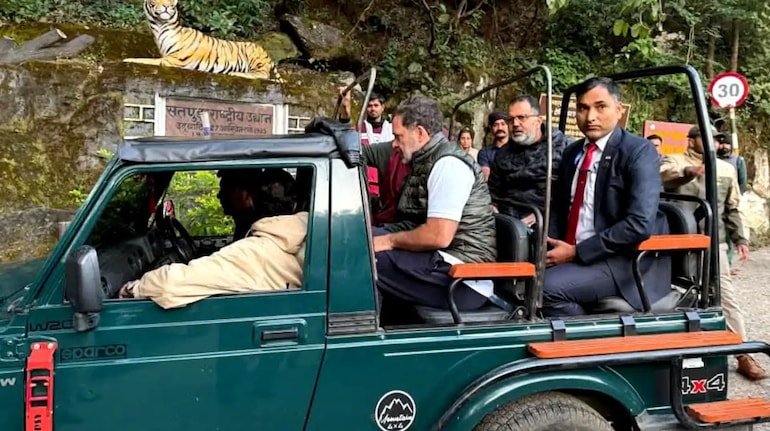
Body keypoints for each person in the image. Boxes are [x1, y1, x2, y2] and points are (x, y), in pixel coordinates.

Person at [363, 95, 497, 323]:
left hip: (463, 277)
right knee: (359, 242)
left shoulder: (448, 165)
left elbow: (438, 235)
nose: (394, 144)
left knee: (362, 260)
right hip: (443, 262)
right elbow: (414, 221)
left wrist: (388, 240)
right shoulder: (425, 161)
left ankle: (356, 334)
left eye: (398, 136)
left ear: (420, 133)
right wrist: (370, 233)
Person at [543, 77, 670, 316]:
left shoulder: (638, 151)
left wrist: (576, 252)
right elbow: (560, 207)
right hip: (573, 250)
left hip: (620, 260)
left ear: (619, 110)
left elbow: (639, 224)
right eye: (583, 108)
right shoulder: (572, 152)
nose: (590, 117)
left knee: (544, 289)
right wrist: (547, 244)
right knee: (519, 274)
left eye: (601, 107)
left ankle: (586, 337)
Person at [660, 126, 766, 381]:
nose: (714, 143)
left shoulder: (726, 169)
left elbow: (732, 207)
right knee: (679, 296)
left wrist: (740, 238)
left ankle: (742, 354)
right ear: (691, 141)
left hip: (714, 243)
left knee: (725, 295)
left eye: (717, 139)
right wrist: (688, 172)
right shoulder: (675, 161)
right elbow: (661, 176)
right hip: (678, 243)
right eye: (706, 138)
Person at [119, 211, 309, 308]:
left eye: (225, 187)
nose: (219, 195)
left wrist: (135, 289)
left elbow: (170, 285)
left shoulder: (253, 253)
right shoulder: (309, 222)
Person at [488, 95, 570, 223]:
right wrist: (493, 209)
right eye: (511, 119)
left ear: (538, 121)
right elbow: (492, 192)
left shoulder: (564, 148)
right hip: (507, 220)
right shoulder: (502, 154)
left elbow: (571, 196)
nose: (515, 124)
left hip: (548, 220)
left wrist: (544, 215)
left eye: (522, 117)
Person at [339, 89, 410, 225]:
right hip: (363, 185)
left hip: (387, 187)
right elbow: (345, 136)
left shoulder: (392, 129)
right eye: (370, 106)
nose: (372, 109)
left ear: (382, 107)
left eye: (376, 105)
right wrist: (345, 109)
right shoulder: (359, 128)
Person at [217, 168, 296, 240]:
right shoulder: (244, 223)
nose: (219, 195)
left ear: (247, 193)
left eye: (226, 189)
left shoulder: (263, 230)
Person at [477, 111, 510, 180]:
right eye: (496, 125)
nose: (500, 128)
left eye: (503, 124)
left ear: (509, 126)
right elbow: (486, 177)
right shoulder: (485, 153)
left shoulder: (518, 149)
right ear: (491, 128)